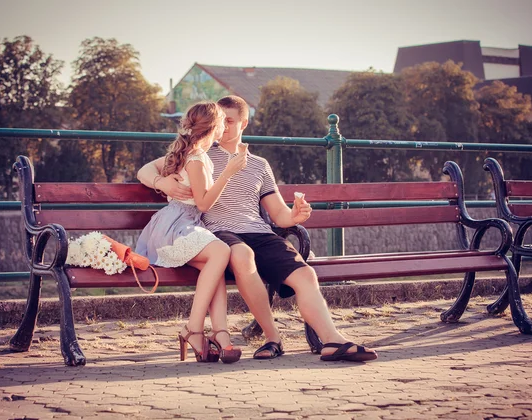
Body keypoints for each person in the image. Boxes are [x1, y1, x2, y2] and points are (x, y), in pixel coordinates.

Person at [138, 95, 377, 363]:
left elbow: (278, 215)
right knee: (243, 256)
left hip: (259, 232)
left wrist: (294, 215)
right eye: (221, 122)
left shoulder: (260, 165)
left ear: (244, 123)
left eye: (229, 122)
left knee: (306, 274)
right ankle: (273, 337)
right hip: (218, 232)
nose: (223, 128)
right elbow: (147, 169)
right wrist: (162, 182)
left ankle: (333, 341)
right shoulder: (202, 153)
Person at [136, 101, 245, 364]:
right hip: (175, 226)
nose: (225, 128)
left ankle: (221, 332)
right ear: (215, 127)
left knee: (215, 265)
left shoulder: (193, 153)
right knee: (221, 251)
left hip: (184, 225)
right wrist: (228, 173)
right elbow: (204, 203)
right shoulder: (195, 158)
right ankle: (193, 329)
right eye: (223, 123)